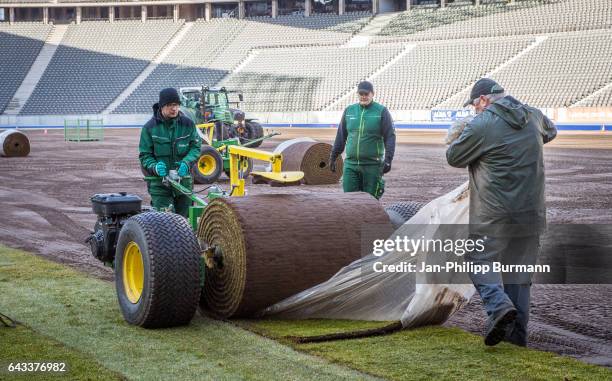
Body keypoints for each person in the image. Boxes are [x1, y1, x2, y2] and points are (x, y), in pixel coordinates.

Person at [446, 78, 557, 347]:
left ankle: (498, 307)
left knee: (477, 258)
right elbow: (551, 131)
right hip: (531, 215)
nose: (474, 110)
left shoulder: (482, 124)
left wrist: (462, 131)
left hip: (494, 215)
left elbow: (454, 156)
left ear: (483, 100)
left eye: (474, 105)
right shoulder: (533, 115)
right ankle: (516, 340)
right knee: (518, 277)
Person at [139, 88, 202, 217]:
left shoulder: (188, 124)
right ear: (162, 106)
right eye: (169, 105)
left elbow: (196, 148)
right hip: (159, 185)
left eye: (176, 105)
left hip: (184, 183)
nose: (174, 108)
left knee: (186, 222)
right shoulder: (150, 128)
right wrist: (154, 167)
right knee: (166, 222)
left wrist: (187, 163)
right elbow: (145, 155)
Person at [329, 81, 396, 200]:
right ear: (358, 94)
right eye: (361, 93)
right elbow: (341, 136)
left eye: (366, 94)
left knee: (371, 203)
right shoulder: (349, 111)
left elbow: (390, 137)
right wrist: (333, 156)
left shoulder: (381, 111)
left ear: (372, 94)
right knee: (350, 201)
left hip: (372, 166)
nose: (363, 96)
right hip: (350, 165)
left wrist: (388, 160)